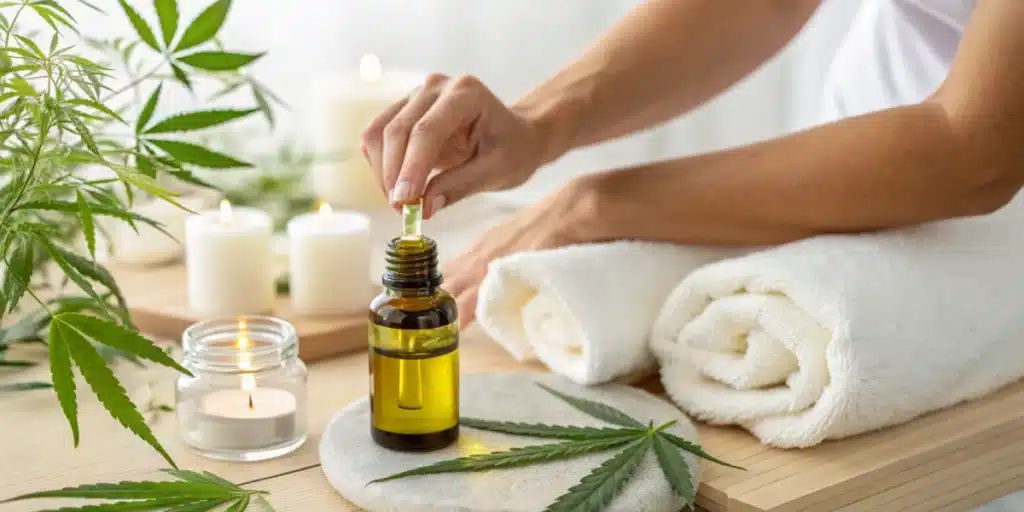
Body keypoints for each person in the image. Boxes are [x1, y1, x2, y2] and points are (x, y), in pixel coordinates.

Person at [360, 0, 1024, 327]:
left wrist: (599, 206)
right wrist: (540, 124)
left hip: (989, 286)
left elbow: (975, 154)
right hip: (856, 248)